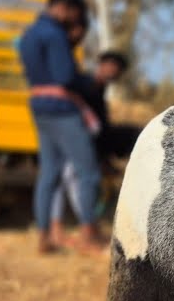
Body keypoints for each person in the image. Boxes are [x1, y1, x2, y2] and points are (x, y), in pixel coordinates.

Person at [18, 0, 105, 254]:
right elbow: (66, 77)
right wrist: (93, 80)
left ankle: (44, 237)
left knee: (49, 174)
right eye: (75, 16)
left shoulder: (28, 35)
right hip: (62, 109)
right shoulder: (55, 34)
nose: (75, 25)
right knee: (88, 171)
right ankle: (89, 234)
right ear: (65, 8)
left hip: (39, 107)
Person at [50, 47, 133, 242]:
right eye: (111, 66)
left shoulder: (98, 88)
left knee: (69, 179)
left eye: (117, 68)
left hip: (82, 140)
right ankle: (80, 228)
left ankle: (81, 225)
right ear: (102, 65)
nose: (113, 71)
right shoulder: (87, 85)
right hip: (74, 139)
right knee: (69, 179)